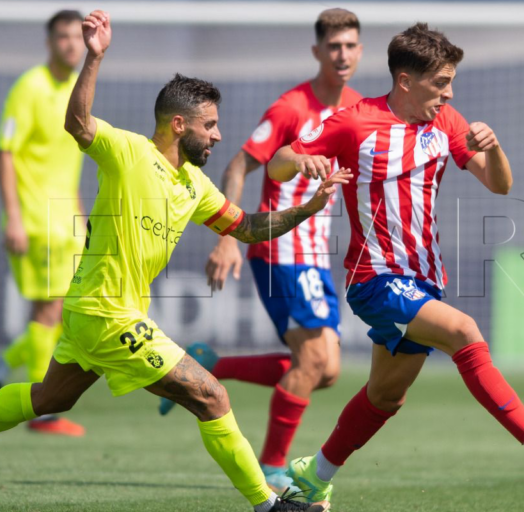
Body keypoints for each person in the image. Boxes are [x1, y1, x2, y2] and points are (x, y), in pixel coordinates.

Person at [0, 11, 348, 511]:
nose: (219, 135)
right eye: (211, 126)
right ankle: (270, 506)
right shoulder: (129, 152)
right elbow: (77, 122)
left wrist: (307, 208)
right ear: (178, 125)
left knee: (49, 399)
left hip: (95, 311)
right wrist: (95, 56)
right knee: (211, 397)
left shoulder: (193, 185)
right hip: (106, 313)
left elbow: (246, 226)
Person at [267, 23, 524, 505]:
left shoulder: (446, 121)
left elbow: (499, 185)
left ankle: (312, 476)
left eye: (450, 82)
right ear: (405, 81)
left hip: (423, 281)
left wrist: (495, 147)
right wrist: (300, 161)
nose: (449, 92)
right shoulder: (355, 122)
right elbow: (278, 161)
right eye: (441, 83)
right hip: (375, 279)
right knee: (464, 331)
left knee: (385, 397)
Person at [158, 8, 363, 493]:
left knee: (326, 370)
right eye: (333, 46)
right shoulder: (292, 107)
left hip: (314, 253)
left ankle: (210, 363)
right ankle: (273, 468)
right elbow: (238, 165)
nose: (342, 54)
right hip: (279, 248)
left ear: (360, 51)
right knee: (314, 361)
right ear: (317, 51)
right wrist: (229, 234)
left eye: (351, 45)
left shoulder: (356, 106)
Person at [0, 9, 87, 436]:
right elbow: (5, 152)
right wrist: (14, 219)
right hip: (36, 220)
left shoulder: (78, 90)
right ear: (49, 42)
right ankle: (44, 413)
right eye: (63, 37)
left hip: (66, 220)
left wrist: (81, 216)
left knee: (62, 314)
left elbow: (68, 162)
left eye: (77, 37)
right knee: (49, 309)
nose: (71, 44)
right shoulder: (29, 87)